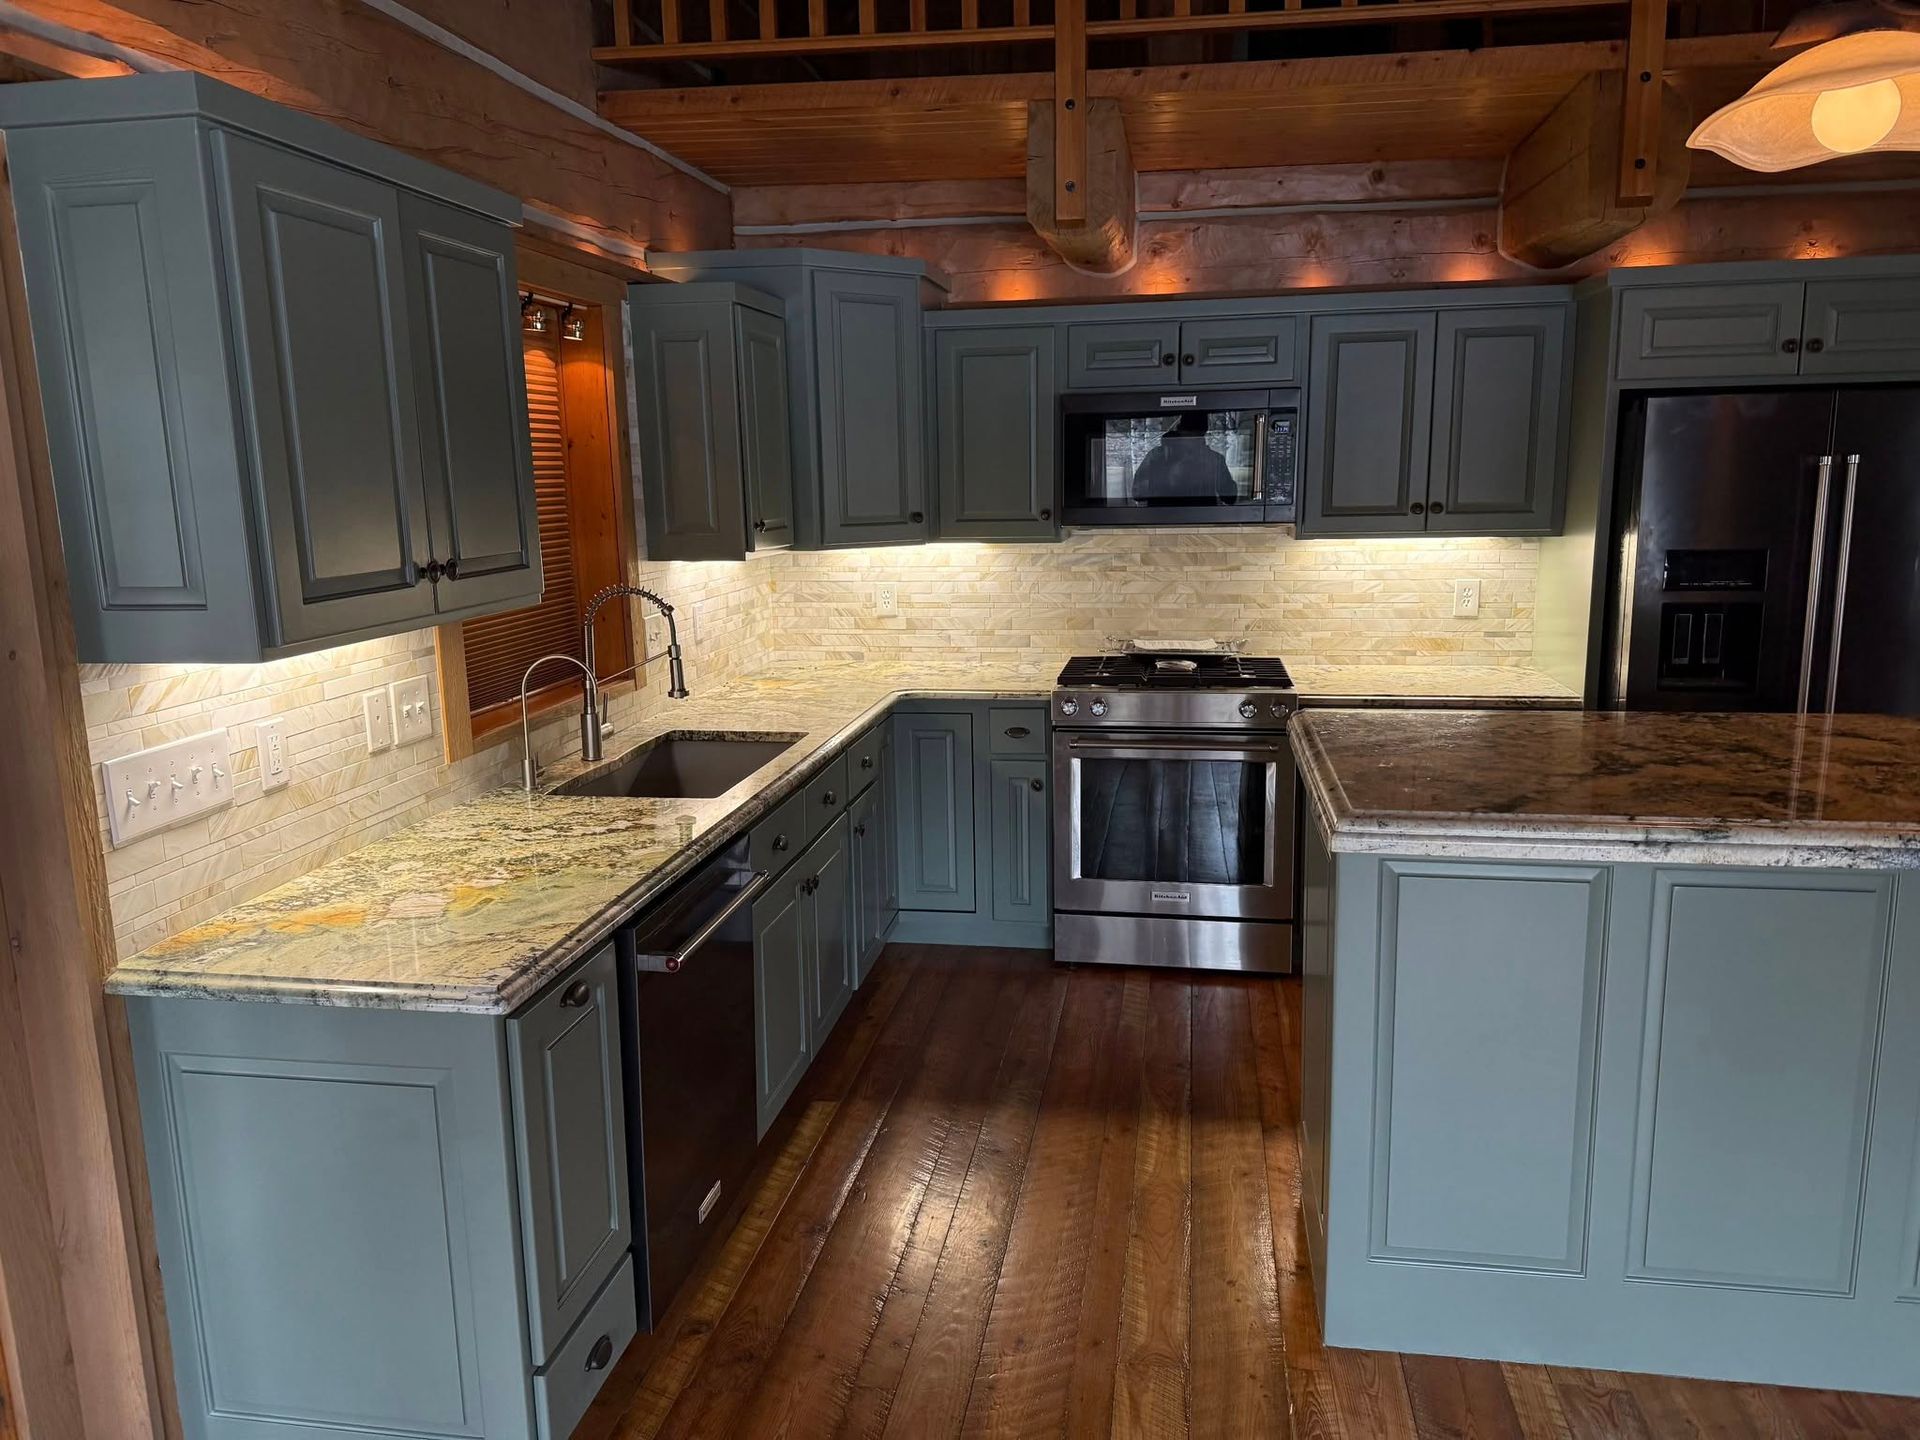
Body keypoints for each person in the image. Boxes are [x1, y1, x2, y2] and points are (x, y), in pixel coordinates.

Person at [1129, 411, 1238, 504]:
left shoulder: (1213, 460)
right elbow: (1137, 493)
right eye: (1189, 436)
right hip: (1167, 520)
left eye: (1194, 437)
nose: (1190, 441)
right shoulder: (1157, 456)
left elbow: (1230, 498)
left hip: (1194, 521)